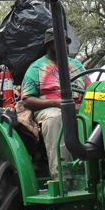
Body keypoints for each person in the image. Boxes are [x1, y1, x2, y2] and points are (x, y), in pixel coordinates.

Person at [21, 29, 89, 180]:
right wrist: (56, 103)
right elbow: (27, 100)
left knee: (96, 116)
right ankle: (63, 177)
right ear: (48, 45)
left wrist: (86, 96)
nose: (63, 46)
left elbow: (90, 90)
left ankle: (97, 171)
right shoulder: (36, 68)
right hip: (50, 108)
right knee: (57, 118)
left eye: (65, 42)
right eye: (57, 42)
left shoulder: (77, 65)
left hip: (78, 106)